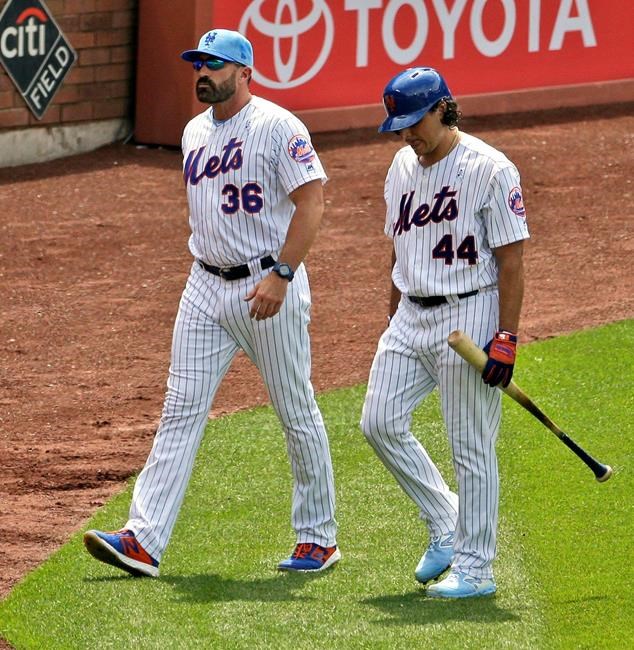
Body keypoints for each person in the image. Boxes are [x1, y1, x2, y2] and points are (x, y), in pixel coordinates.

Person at [83, 28, 340, 576]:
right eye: (199, 63)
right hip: (203, 285)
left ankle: (318, 539)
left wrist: (282, 273)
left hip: (266, 285)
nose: (204, 72)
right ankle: (142, 540)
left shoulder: (277, 127)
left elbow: (311, 202)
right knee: (179, 409)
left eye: (216, 64)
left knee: (295, 409)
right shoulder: (193, 132)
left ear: (245, 73)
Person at [360, 67, 529, 598]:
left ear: (443, 109)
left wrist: (507, 338)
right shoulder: (400, 167)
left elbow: (513, 260)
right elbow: (398, 248)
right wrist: (392, 318)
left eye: (415, 123)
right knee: (378, 421)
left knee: (470, 447)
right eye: (399, 125)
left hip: (470, 314)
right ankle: (446, 520)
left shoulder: (490, 168)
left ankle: (477, 571)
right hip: (411, 314)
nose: (407, 134)